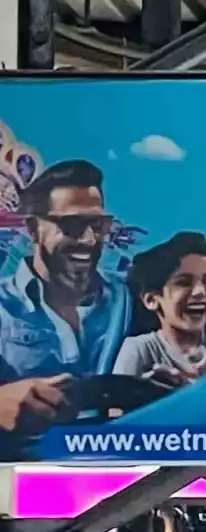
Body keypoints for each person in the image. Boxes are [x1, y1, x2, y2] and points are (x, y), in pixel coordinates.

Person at [0, 159, 119, 438]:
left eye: (97, 224)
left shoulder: (129, 297)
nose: (89, 240)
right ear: (33, 229)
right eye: (72, 225)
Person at [111, 232, 206, 388]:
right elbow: (116, 403)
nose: (200, 292)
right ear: (151, 300)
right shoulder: (139, 350)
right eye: (184, 282)